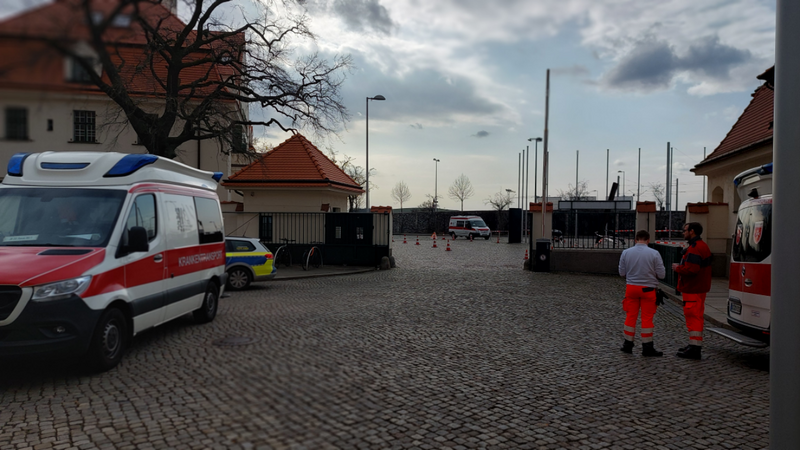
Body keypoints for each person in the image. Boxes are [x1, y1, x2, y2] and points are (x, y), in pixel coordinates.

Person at [618, 230, 666, 356]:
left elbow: (622, 273)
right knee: (647, 319)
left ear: (635, 239)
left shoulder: (626, 252)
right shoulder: (654, 253)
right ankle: (647, 347)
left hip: (631, 288)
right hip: (648, 289)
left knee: (630, 316)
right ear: (648, 240)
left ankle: (627, 345)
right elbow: (661, 274)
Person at [672, 222, 712, 360]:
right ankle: (693, 345)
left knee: (693, 317)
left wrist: (677, 268)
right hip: (698, 288)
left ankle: (694, 349)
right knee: (696, 317)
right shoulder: (701, 246)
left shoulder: (695, 248)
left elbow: (692, 270)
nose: (683, 233)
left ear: (692, 231)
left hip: (693, 288)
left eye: (685, 230)